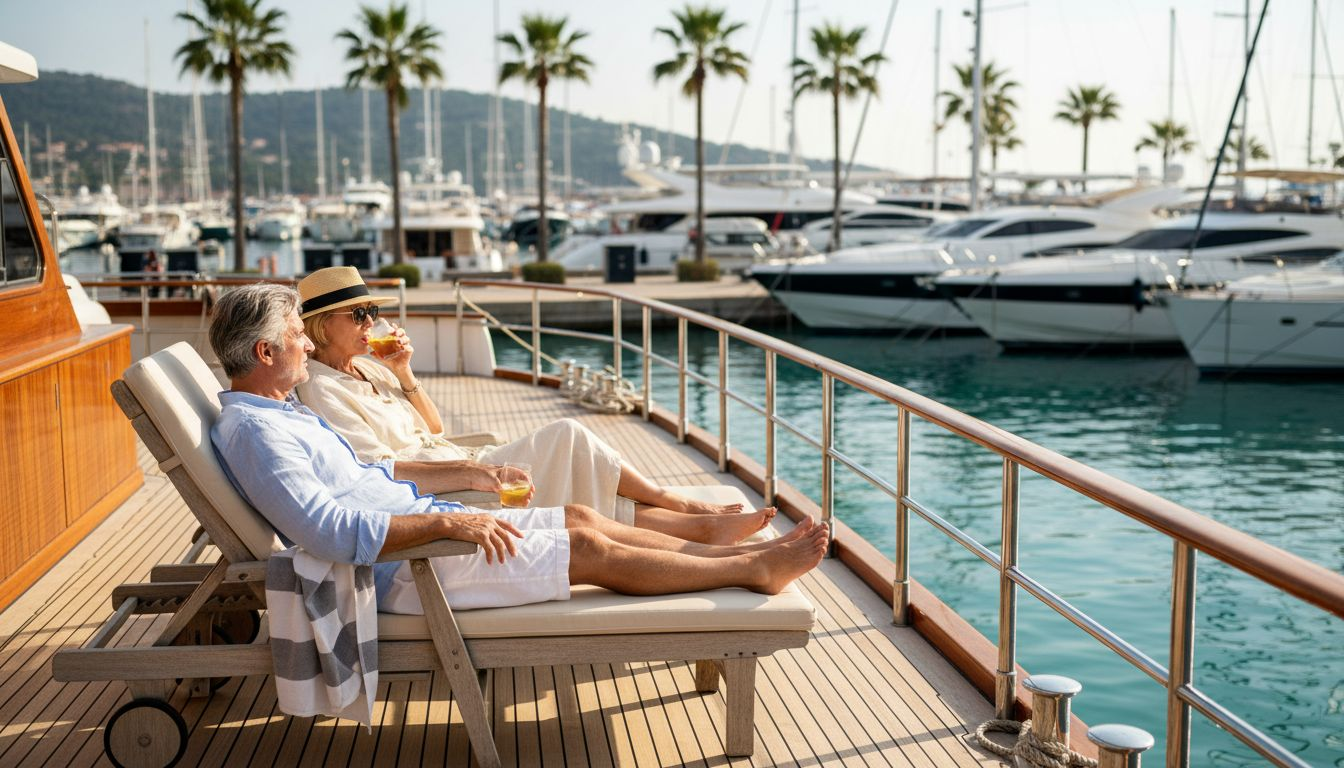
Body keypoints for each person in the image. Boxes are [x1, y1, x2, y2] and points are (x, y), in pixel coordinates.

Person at [207, 283, 827, 612]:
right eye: (297, 338)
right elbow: (330, 532)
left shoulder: (276, 413)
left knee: (582, 517)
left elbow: (369, 472)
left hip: (428, 528)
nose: (308, 350)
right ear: (265, 354)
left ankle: (731, 554)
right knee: (585, 544)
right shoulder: (260, 433)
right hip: (405, 572)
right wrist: (447, 521)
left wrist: (461, 490)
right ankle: (753, 568)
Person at [293, 266, 769, 545]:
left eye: (371, 311)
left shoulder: (370, 368)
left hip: (461, 460)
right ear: (320, 326)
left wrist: (402, 371)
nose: (370, 321)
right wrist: (473, 472)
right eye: (358, 314)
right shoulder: (322, 388)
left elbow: (432, 427)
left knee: (585, 477)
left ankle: (695, 528)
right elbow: (376, 472)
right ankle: (678, 506)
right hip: (449, 487)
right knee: (567, 437)